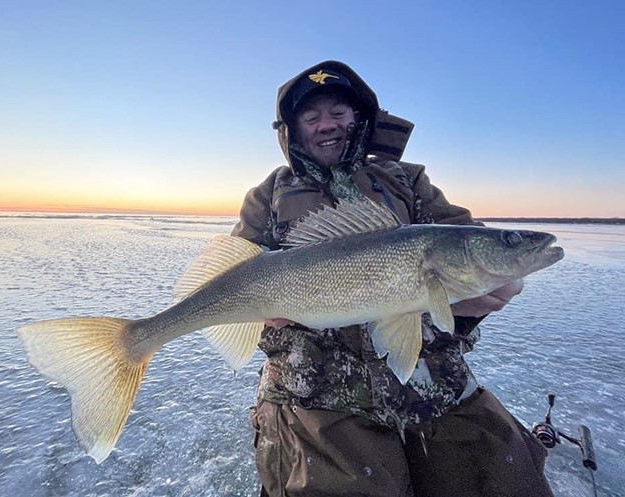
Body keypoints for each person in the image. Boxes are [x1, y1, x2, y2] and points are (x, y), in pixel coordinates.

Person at [231, 60, 553, 497]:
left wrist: (480, 298)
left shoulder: (408, 179)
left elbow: (467, 241)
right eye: (311, 116)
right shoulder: (268, 194)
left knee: (506, 475)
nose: (327, 125)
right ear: (291, 130)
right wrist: (260, 315)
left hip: (431, 381)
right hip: (313, 392)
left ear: (359, 119)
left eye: (339, 113)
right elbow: (237, 264)